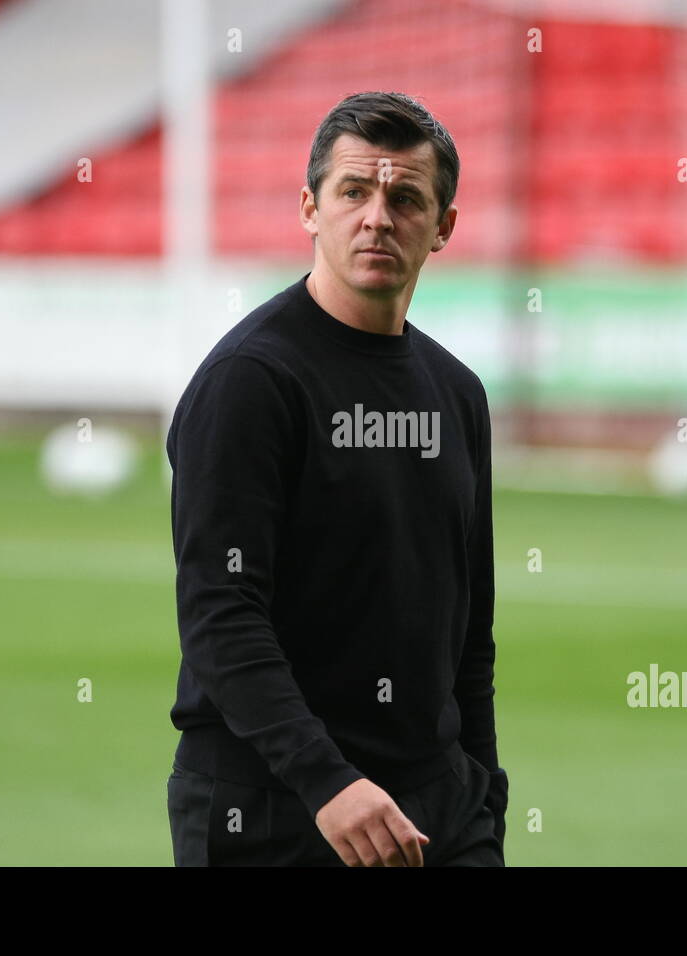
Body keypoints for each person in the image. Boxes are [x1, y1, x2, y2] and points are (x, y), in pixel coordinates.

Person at [165, 91, 506, 866]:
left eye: (405, 198)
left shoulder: (458, 394)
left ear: (444, 227)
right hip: (279, 811)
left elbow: (469, 637)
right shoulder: (252, 382)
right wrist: (328, 783)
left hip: (438, 812)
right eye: (354, 191)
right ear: (311, 210)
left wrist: (485, 795)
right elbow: (222, 613)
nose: (377, 217)